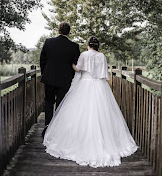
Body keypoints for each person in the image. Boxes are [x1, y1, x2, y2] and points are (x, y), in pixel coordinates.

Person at [43, 36, 138, 168]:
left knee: (81, 113)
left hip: (85, 84)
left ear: (88, 45)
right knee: (102, 113)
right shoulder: (102, 56)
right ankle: (107, 141)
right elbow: (104, 73)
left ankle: (80, 139)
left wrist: (71, 64)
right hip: (99, 85)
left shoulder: (84, 54)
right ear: (97, 46)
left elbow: (78, 69)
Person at [40, 22, 80, 137]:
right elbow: (75, 64)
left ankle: (47, 126)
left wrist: (45, 74)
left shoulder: (48, 42)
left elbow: (42, 60)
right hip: (65, 80)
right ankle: (58, 128)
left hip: (49, 78)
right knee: (61, 104)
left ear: (58, 31)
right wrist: (71, 77)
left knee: (48, 101)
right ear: (69, 32)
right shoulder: (74, 46)